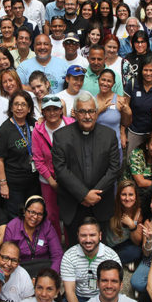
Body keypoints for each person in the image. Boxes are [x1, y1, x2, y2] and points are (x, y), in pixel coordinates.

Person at [52, 92, 122, 234]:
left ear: (96, 113)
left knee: (100, 246)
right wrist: (83, 194)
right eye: (82, 111)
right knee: (74, 245)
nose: (87, 116)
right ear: (75, 113)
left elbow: (114, 168)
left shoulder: (109, 135)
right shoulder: (61, 136)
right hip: (73, 204)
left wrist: (93, 195)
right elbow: (60, 170)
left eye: (91, 111)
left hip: (101, 203)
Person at [31, 94, 73, 238]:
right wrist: (52, 182)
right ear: (43, 112)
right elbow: (38, 160)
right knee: (51, 214)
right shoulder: (38, 130)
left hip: (70, 178)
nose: (52, 113)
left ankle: (71, 243)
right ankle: (56, 244)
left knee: (70, 213)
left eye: (55, 109)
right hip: (48, 179)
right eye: (48, 110)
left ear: (61, 110)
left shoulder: (71, 125)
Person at [0, 91, 40, 217]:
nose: (19, 108)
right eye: (16, 104)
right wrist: (3, 184)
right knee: (16, 216)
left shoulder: (34, 124)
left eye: (23, 104)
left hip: (34, 181)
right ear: (11, 107)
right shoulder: (3, 131)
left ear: (29, 108)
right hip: (14, 183)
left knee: (33, 214)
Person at [61, 217, 120, 302]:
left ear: (100, 235)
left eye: (92, 235)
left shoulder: (111, 256)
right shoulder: (69, 256)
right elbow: (69, 292)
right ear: (78, 236)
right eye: (83, 235)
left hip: (103, 299)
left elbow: (114, 289)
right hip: (78, 298)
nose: (88, 240)